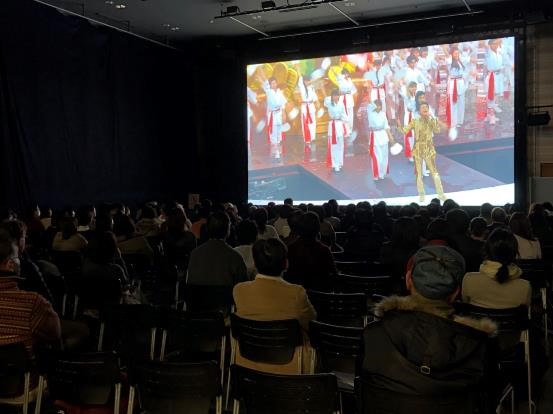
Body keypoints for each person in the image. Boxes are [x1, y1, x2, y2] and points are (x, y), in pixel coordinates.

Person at [361, 245, 497, 414]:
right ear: (456, 292)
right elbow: (489, 399)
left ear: (408, 280)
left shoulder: (373, 335)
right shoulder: (479, 345)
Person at [233, 238, 316, 374]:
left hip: (247, 365)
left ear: (255, 263)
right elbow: (311, 324)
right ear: (286, 264)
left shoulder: (239, 291)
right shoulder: (296, 293)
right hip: (291, 368)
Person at [463, 228, 531, 308]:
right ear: (514, 253)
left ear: (487, 250)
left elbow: (466, 307)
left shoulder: (469, 280)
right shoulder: (525, 287)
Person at [400, 103, 447, 202]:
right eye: (423, 107)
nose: (425, 108)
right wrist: (398, 125)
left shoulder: (431, 120)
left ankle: (441, 194)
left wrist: (433, 118)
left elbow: (437, 130)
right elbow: (405, 130)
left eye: (426, 107)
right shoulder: (415, 121)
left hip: (429, 149)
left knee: (434, 173)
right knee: (419, 174)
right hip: (418, 149)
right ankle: (421, 195)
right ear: (419, 111)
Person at [186, 212, 248, 287]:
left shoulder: (194, 254)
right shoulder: (235, 257)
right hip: (227, 294)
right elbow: (243, 287)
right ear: (228, 230)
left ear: (207, 228)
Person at [285, 212, 337, 291]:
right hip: (320, 293)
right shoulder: (324, 250)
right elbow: (333, 273)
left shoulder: (291, 248)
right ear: (317, 229)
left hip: (297, 292)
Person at [367, 99, 395, 181]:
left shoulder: (383, 114)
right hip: (375, 137)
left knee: (384, 157)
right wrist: (374, 104)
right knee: (377, 157)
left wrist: (391, 138)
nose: (379, 107)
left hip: (383, 136)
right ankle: (376, 174)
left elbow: (386, 126)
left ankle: (381, 173)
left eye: (380, 105)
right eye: (377, 105)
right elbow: (370, 105)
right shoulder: (370, 113)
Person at [324, 89, 348, 173]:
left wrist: (347, 124)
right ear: (332, 96)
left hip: (340, 125)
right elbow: (325, 98)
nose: (336, 97)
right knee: (334, 146)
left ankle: (340, 163)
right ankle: (335, 164)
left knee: (340, 145)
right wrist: (323, 89)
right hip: (332, 125)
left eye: (337, 95)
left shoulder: (341, 104)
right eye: (334, 95)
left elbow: (344, 115)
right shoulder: (329, 103)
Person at [263, 76, 287, 160]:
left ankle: (278, 151)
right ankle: (274, 151)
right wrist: (262, 76)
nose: (274, 85)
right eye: (272, 83)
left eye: (275, 83)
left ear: (277, 83)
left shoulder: (280, 92)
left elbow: (283, 104)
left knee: (279, 132)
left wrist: (284, 114)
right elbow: (265, 84)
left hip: (279, 113)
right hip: (272, 114)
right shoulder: (268, 92)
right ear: (270, 85)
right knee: (273, 132)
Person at [446, 47, 467, 136]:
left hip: (460, 83)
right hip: (453, 84)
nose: (457, 55)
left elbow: (464, 72)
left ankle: (459, 121)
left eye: (458, 53)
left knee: (461, 103)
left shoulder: (460, 62)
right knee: (453, 104)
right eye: (455, 53)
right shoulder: (449, 61)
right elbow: (447, 57)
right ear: (451, 54)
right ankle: (453, 123)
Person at [485, 39, 504, 125]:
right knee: (491, 97)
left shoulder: (499, 53)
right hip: (491, 77)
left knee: (496, 95)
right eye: (494, 44)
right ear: (490, 45)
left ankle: (489, 115)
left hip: (499, 76)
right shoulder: (488, 53)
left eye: (496, 44)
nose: (496, 45)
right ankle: (491, 117)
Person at [297, 72, 318, 144]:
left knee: (313, 122)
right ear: (304, 81)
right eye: (306, 81)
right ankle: (307, 138)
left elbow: (314, 96)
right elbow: (300, 78)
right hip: (305, 107)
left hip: (311, 106)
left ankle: (312, 137)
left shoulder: (311, 87)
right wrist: (298, 69)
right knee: (305, 124)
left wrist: (317, 102)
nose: (307, 82)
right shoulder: (302, 87)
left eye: (308, 80)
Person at [400, 81, 418, 162]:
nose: (414, 88)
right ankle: (410, 155)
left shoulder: (416, 95)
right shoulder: (406, 96)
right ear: (409, 88)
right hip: (409, 118)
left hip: (416, 117)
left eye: (415, 87)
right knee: (410, 137)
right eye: (412, 87)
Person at [337, 69, 357, 137]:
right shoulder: (340, 80)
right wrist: (346, 92)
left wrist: (350, 92)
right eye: (344, 74)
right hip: (343, 99)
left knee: (351, 116)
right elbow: (340, 90)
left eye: (347, 73)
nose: (346, 75)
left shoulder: (350, 80)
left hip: (349, 99)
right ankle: (345, 131)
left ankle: (350, 130)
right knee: (345, 116)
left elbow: (354, 89)